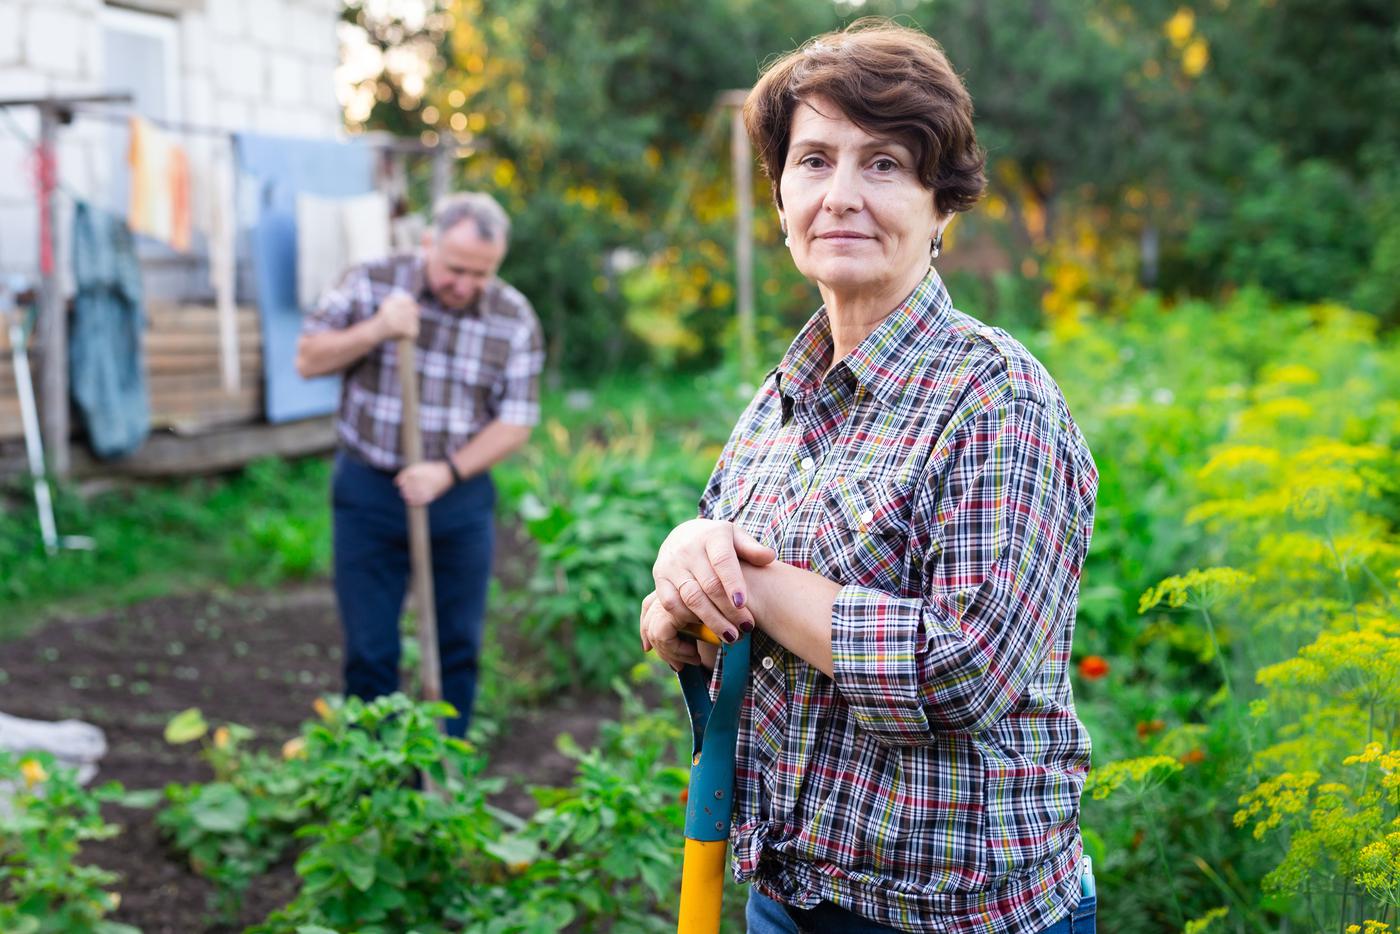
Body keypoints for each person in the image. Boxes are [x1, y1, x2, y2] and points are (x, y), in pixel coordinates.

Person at [639, 20, 1099, 934]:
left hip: (959, 913)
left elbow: (961, 673)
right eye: (813, 161)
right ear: (780, 200)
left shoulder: (996, 400)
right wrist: (680, 588)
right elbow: (711, 617)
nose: (841, 195)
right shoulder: (778, 402)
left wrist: (760, 586)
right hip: (789, 895)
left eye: (883, 163)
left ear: (943, 206)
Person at [297, 192, 543, 738]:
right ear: (428, 243)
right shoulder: (372, 281)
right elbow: (307, 357)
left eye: (481, 274)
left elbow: (516, 420)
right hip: (370, 490)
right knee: (370, 647)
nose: (465, 285)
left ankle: (442, 772)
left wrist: (446, 472)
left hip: (458, 496)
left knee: (457, 642)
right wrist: (377, 330)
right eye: (455, 269)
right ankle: (374, 772)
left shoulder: (512, 316)